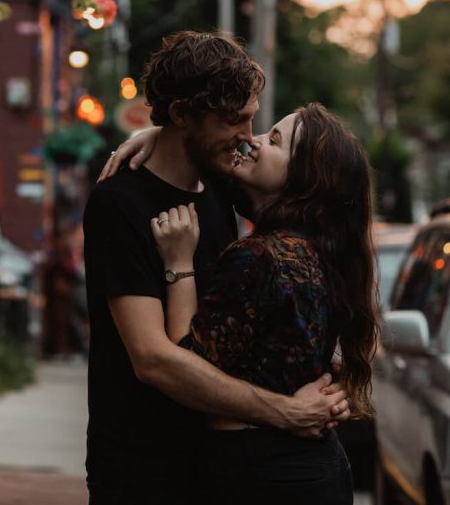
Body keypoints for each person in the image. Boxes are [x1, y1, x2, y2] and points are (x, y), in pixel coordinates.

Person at [83, 32, 350, 505]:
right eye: (234, 121)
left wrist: (152, 132)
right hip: (144, 472)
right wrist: (285, 412)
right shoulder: (119, 204)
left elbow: (310, 204)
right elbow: (154, 360)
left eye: (251, 120)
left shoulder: (220, 184)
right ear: (183, 115)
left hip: (220, 468)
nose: (248, 137)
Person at [150, 103, 379, 504]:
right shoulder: (317, 252)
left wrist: (178, 263)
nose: (251, 141)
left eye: (274, 141)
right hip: (308, 468)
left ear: (304, 179)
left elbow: (187, 359)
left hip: (264, 473)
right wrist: (151, 137)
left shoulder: (260, 258)